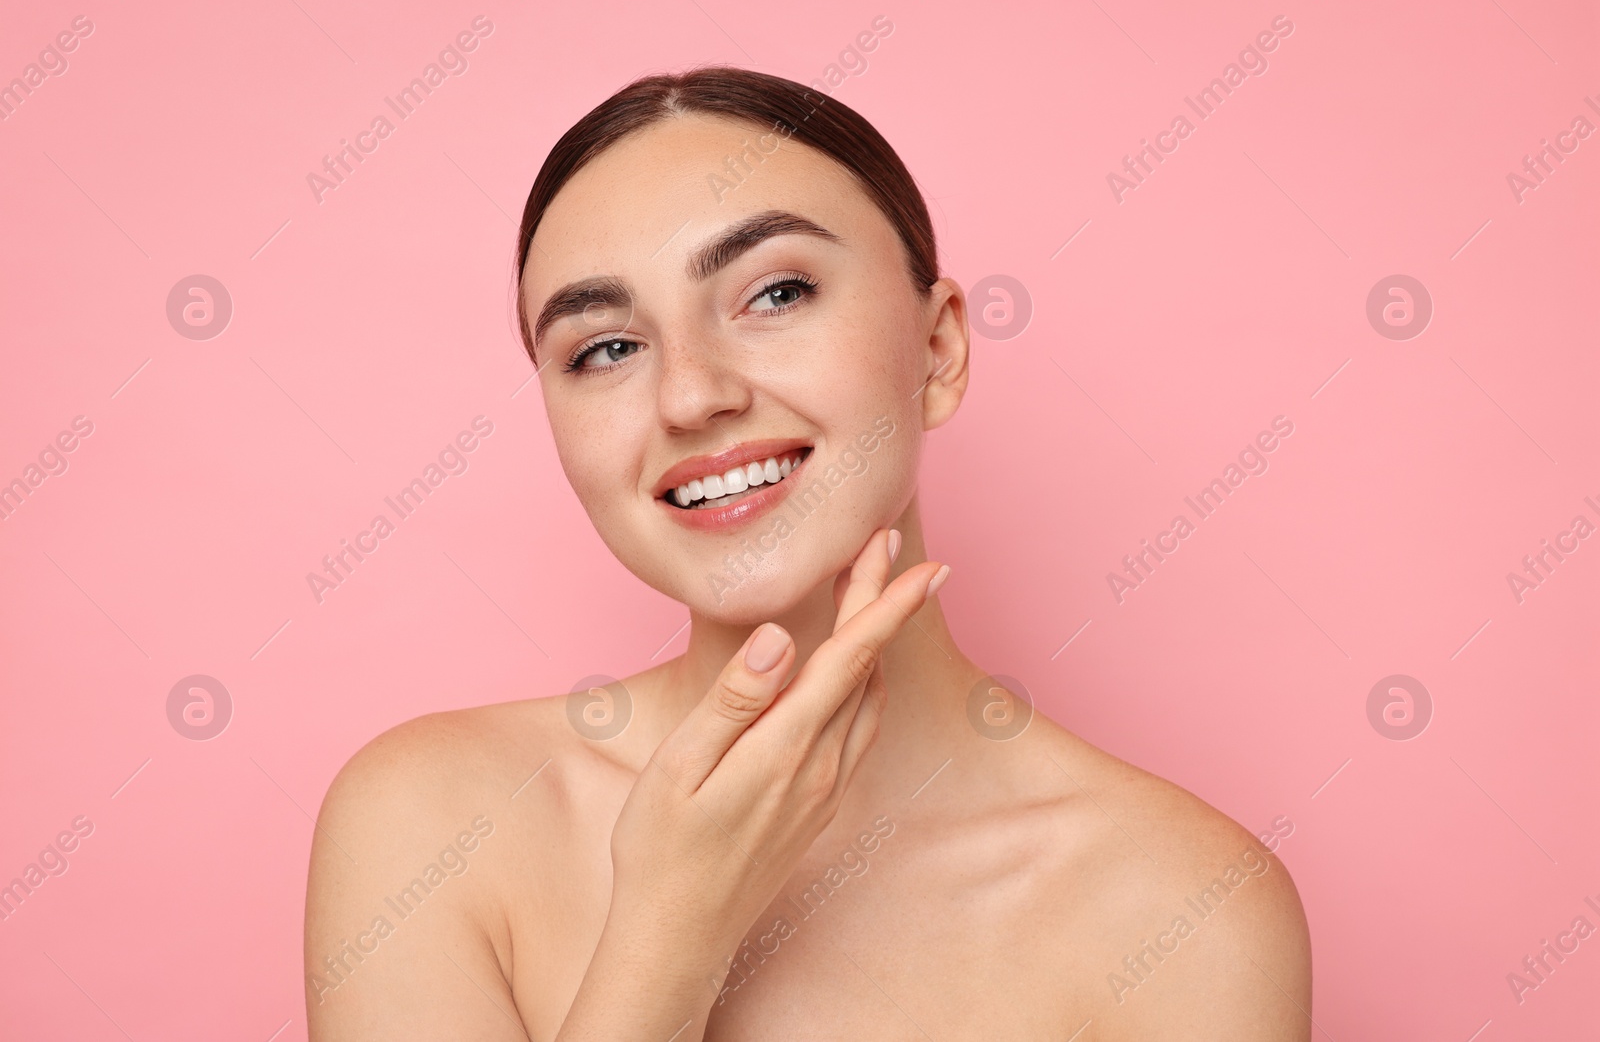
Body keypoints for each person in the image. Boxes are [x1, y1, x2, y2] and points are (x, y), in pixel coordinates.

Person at [304, 66, 1311, 1041]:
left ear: (939, 350)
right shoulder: (428, 827)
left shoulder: (1185, 907)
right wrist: (670, 928)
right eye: (606, 346)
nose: (691, 395)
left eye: (775, 292)